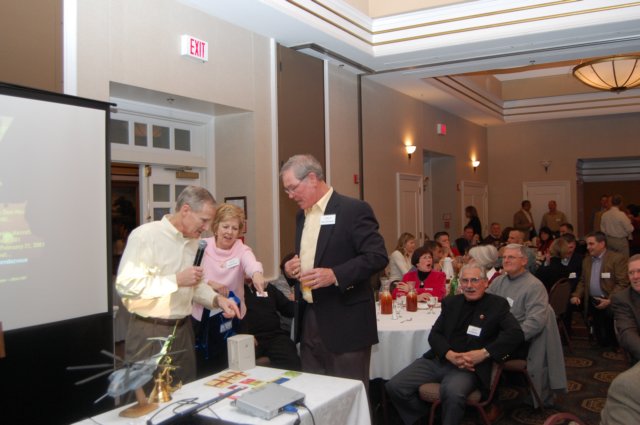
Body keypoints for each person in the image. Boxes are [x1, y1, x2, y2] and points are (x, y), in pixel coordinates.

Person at [280, 154, 388, 392]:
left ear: (312, 178)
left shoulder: (353, 210)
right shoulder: (301, 216)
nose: (290, 196)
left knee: (347, 397)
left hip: (346, 322)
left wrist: (335, 275)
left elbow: (377, 256)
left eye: (292, 188)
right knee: (315, 395)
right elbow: (314, 256)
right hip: (309, 320)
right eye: (286, 190)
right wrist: (291, 268)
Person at [116, 186, 240, 384]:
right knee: (145, 394)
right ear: (185, 210)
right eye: (204, 220)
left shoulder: (194, 243)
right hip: (149, 330)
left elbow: (195, 284)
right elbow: (126, 285)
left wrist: (217, 299)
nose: (207, 227)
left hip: (183, 330)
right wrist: (176, 280)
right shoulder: (145, 236)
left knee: (185, 391)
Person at [385, 263, 524, 425]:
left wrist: (484, 353)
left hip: (469, 367)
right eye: (465, 281)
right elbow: (435, 334)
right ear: (460, 283)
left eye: (475, 280)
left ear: (486, 283)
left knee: (452, 392)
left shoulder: (497, 304)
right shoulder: (451, 302)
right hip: (441, 359)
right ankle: (423, 418)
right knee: (395, 386)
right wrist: (448, 354)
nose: (469, 285)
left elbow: (516, 334)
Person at [487, 244, 567, 408]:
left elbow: (535, 323)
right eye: (504, 257)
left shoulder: (534, 286)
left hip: (521, 342)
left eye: (511, 257)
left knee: (484, 355)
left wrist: (508, 338)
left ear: (524, 261)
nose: (506, 260)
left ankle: (489, 402)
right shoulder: (499, 282)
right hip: (500, 336)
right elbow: (485, 306)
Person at [191, 203, 266, 369]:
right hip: (203, 318)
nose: (229, 232)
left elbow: (251, 264)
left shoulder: (242, 249)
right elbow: (192, 276)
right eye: (225, 226)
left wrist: (257, 274)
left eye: (234, 228)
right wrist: (210, 283)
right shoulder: (202, 246)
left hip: (234, 317)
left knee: (237, 366)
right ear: (216, 227)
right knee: (205, 368)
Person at [571, 232, 629, 347]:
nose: (588, 247)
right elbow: (583, 281)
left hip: (610, 301)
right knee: (598, 333)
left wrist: (610, 300)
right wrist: (576, 295)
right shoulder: (586, 260)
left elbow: (622, 283)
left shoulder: (616, 259)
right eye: (587, 244)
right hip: (592, 301)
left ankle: (614, 348)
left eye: (591, 244)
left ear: (602, 244)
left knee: (611, 335)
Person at [239, 279, 301, 371]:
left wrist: (300, 298)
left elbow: (288, 309)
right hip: (250, 338)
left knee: (292, 360)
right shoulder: (235, 289)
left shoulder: (267, 287)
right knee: (243, 363)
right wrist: (244, 334)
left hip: (274, 336)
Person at [610, 254, 640, 364]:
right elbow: (627, 334)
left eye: (639, 271)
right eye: (631, 273)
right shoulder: (622, 299)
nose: (635, 276)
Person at [601, 194, 633, 260]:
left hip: (608, 240)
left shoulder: (605, 215)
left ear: (611, 203)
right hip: (620, 241)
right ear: (621, 203)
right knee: (623, 261)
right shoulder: (621, 215)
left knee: (610, 260)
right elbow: (630, 229)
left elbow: (602, 229)